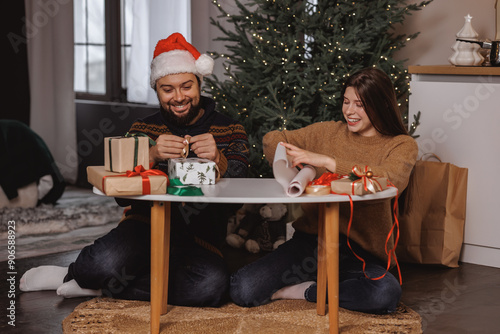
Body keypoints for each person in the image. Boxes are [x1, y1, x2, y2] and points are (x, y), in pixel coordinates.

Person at [20, 33, 250, 307]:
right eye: (168, 89)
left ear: (199, 84)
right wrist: (150, 155)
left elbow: (241, 195)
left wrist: (219, 159)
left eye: (186, 86)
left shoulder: (230, 129)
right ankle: (78, 274)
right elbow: (121, 196)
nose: (179, 97)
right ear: (157, 90)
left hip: (202, 237)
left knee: (210, 288)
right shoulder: (143, 128)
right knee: (100, 264)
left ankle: (102, 288)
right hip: (143, 227)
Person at [229, 67, 418, 314]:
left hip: (361, 255)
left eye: (360, 104)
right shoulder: (328, 132)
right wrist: (295, 168)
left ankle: (308, 291)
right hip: (310, 246)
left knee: (385, 293)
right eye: (346, 102)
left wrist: (328, 163)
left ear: (381, 104)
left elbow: (391, 179)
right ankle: (331, 288)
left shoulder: (402, 145)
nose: (349, 111)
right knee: (243, 289)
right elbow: (272, 139)